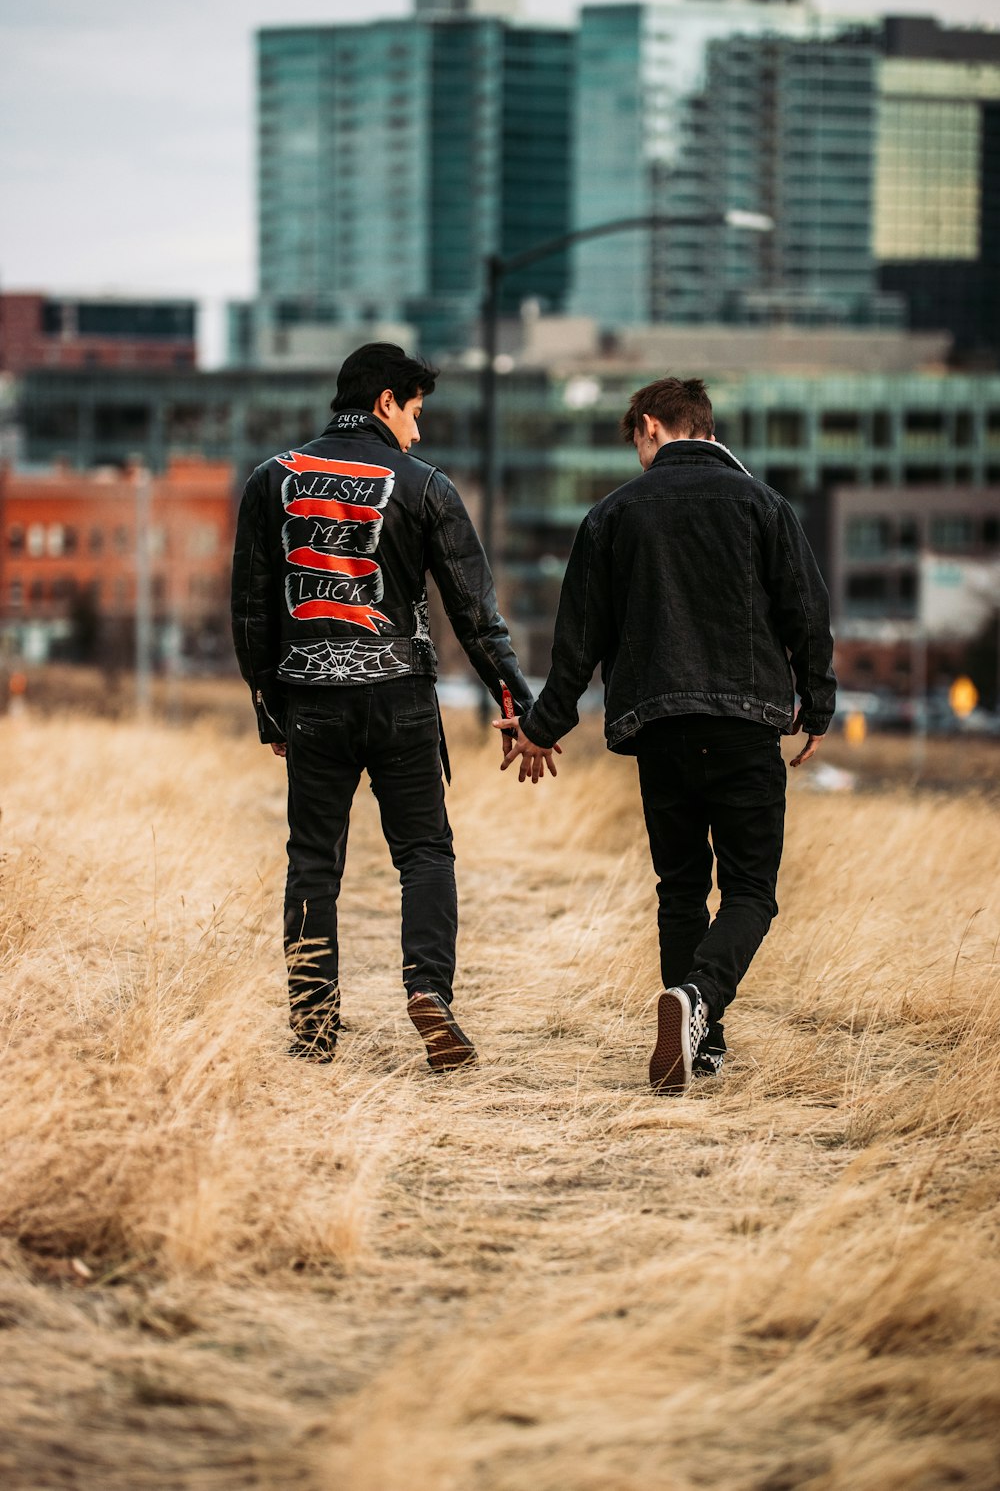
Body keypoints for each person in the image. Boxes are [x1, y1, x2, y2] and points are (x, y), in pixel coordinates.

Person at [496, 376, 836, 1095]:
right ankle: (701, 1001)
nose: (638, 459)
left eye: (636, 444)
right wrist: (819, 703)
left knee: (681, 889)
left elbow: (576, 645)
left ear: (652, 426)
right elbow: (808, 611)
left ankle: (700, 1043)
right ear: (705, 428)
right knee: (751, 893)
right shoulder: (764, 505)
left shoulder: (612, 515)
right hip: (746, 726)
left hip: (659, 729)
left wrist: (541, 728)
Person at [232, 342, 533, 1071]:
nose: (418, 433)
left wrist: (271, 711)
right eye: (416, 412)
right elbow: (475, 614)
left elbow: (250, 613)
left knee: (312, 861)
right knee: (424, 852)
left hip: (311, 702)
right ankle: (429, 991)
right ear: (385, 401)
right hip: (400, 698)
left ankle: (312, 1025)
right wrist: (517, 702)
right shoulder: (427, 486)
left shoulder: (270, 480)